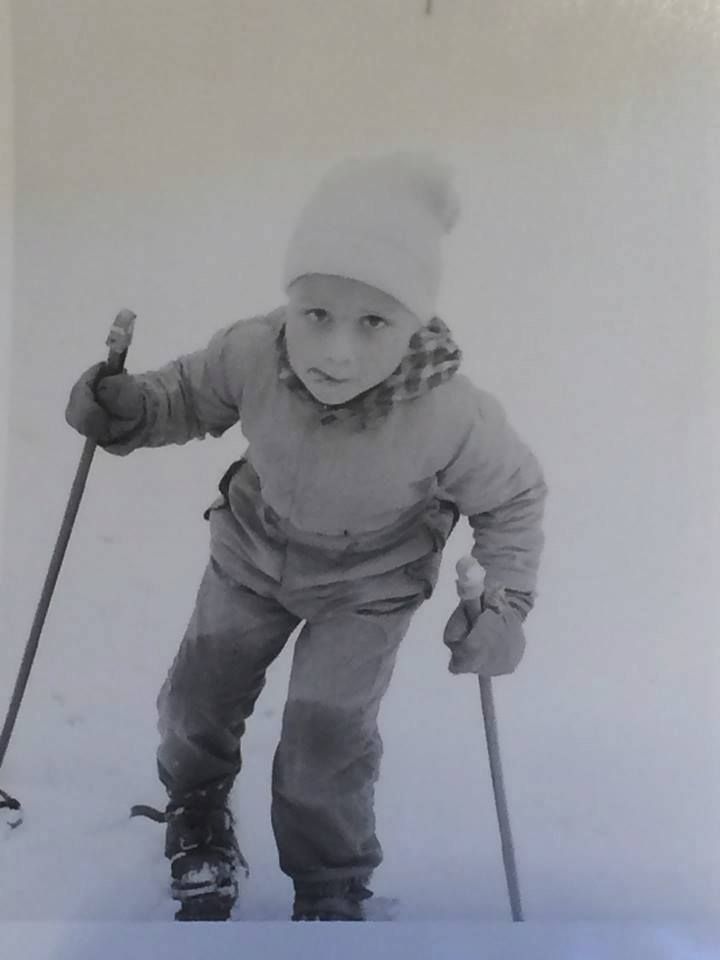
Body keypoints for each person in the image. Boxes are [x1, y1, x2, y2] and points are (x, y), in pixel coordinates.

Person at [65, 152, 548, 922]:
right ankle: (197, 810)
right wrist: (130, 407)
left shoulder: (453, 415)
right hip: (252, 556)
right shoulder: (255, 350)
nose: (336, 349)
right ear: (290, 300)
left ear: (415, 321)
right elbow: (188, 394)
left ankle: (329, 884)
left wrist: (505, 605)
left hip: (371, 586)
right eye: (316, 313)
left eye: (374, 322)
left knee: (326, 737)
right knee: (196, 701)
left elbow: (514, 501)